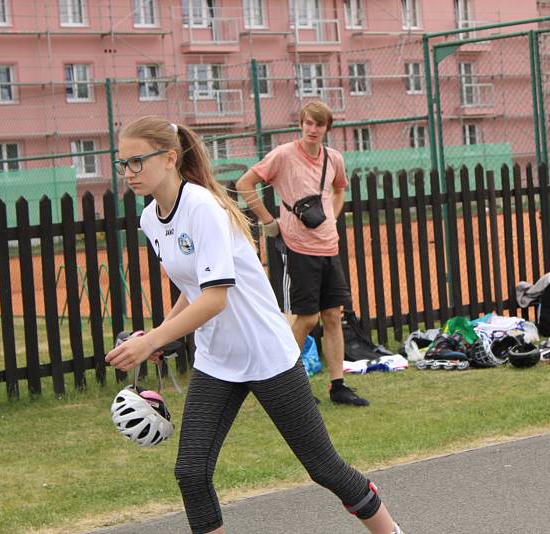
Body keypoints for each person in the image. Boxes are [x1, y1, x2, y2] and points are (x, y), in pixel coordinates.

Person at [105, 116, 403, 534]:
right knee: (191, 473)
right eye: (123, 164)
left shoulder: (202, 208)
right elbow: (192, 286)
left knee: (323, 467)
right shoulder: (151, 219)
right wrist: (158, 337)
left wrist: (154, 338)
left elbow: (215, 297)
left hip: (267, 354)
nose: (128, 173)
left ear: (170, 158)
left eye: (137, 161)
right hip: (218, 359)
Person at [236, 101, 369, 406]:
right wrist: (269, 221)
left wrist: (331, 217)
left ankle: (338, 386)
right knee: (306, 318)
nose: (312, 129)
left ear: (326, 128)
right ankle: (290, 386)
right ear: (300, 124)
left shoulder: (334, 158)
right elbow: (245, 184)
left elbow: (339, 190)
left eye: (318, 125)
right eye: (308, 123)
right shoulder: (283, 155)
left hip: (328, 246)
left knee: (334, 315)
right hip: (297, 247)